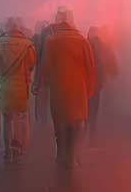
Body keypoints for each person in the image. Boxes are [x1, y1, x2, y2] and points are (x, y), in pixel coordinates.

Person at [34, 10, 96, 169]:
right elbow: (90, 67)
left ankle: (61, 153)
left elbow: (45, 66)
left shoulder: (52, 40)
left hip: (58, 88)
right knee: (76, 121)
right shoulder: (82, 41)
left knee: (60, 121)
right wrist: (90, 88)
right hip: (78, 89)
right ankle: (73, 155)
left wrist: (38, 84)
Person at [0, 17, 37, 162]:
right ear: (18, 28)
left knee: (7, 118)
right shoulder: (28, 45)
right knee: (21, 116)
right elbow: (31, 64)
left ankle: (7, 149)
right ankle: (20, 146)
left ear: (6, 28)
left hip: (4, 87)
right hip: (21, 86)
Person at [87, 26, 119, 133]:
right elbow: (109, 59)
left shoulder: (85, 45)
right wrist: (114, 71)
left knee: (89, 104)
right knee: (95, 104)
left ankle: (88, 125)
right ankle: (92, 128)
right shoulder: (103, 45)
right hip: (98, 80)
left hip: (87, 81)